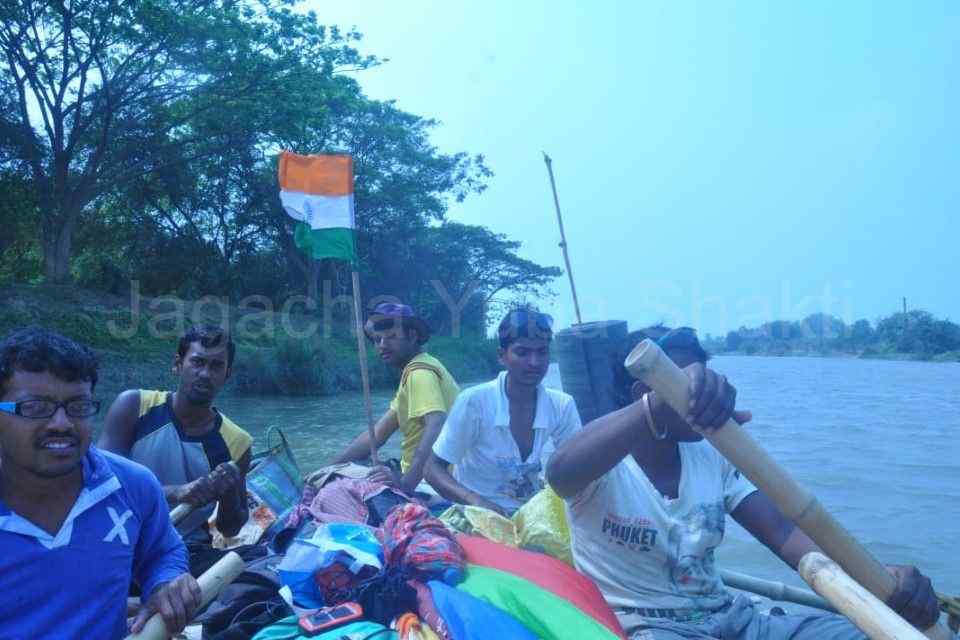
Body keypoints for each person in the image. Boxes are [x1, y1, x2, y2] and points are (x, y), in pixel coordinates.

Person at [546, 326, 941, 640]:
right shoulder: (603, 463)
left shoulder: (713, 455)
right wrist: (659, 403)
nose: (704, 397)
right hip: (648, 627)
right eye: (686, 387)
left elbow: (784, 535)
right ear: (641, 393)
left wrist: (880, 581)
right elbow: (560, 472)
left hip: (733, 619)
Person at [0, 327, 200, 639]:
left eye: (78, 407)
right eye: (36, 408)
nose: (62, 424)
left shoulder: (133, 486)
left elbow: (162, 550)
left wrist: (167, 581)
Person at [100, 324, 253, 575]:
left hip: (184, 550)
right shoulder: (133, 405)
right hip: (119, 537)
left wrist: (227, 493)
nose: (205, 373)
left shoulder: (238, 443)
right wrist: (177, 493)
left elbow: (231, 529)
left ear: (227, 374)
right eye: (197, 362)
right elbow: (98, 485)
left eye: (216, 366)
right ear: (178, 364)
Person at [426, 309, 581, 516]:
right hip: (478, 515)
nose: (534, 362)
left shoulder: (562, 405)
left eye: (542, 352)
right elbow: (432, 468)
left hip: (533, 514)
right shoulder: (474, 402)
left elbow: (577, 465)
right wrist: (476, 501)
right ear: (502, 356)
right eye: (522, 352)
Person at [329, 302, 459, 494]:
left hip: (433, 483)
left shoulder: (419, 373)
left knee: (334, 493)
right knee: (341, 474)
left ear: (413, 336)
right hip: (425, 477)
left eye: (391, 337)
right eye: (377, 339)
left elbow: (437, 423)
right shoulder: (421, 367)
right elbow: (377, 434)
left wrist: (406, 484)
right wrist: (329, 468)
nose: (382, 345)